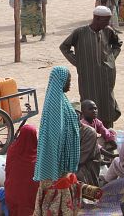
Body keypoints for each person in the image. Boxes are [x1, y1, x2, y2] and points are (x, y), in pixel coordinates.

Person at [59, 6, 123, 128]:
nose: (108, 23)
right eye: (105, 20)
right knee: (89, 104)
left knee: (107, 103)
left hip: (106, 77)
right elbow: (64, 47)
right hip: (88, 77)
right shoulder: (80, 32)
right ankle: (90, 131)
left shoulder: (108, 31)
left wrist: (111, 59)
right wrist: (78, 62)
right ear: (97, 18)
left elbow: (117, 44)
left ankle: (107, 131)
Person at [33, 66, 80, 213]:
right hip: (57, 169)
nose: (70, 84)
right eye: (68, 81)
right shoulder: (55, 105)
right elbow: (55, 137)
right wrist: (58, 167)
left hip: (62, 168)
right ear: (61, 81)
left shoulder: (61, 100)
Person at [3, 124, 39, 216]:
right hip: (31, 198)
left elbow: (8, 172)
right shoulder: (38, 156)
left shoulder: (12, 150)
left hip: (12, 195)